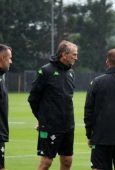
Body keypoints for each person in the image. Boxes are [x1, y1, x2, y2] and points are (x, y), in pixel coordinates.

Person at [28, 40, 78, 170]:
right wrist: (41, 119)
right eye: (74, 54)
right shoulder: (46, 71)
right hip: (50, 125)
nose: (76, 58)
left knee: (67, 161)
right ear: (63, 54)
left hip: (68, 125)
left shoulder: (71, 73)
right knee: (46, 163)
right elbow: (33, 98)